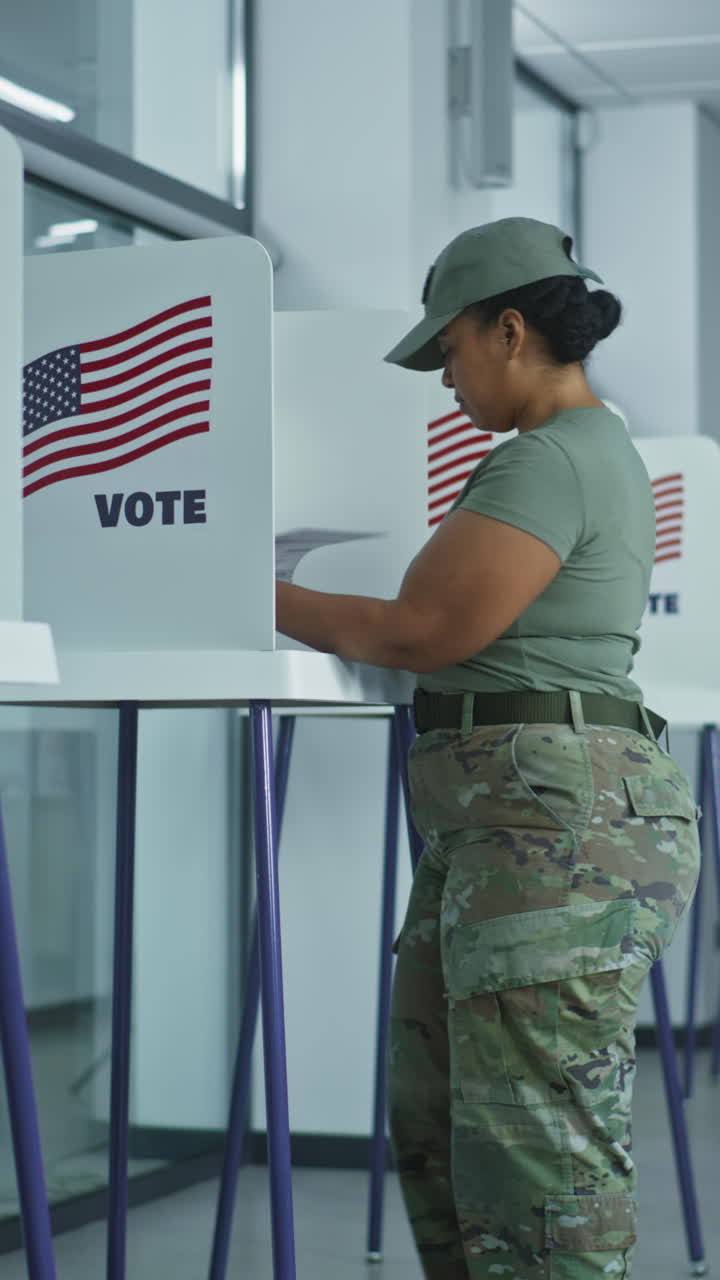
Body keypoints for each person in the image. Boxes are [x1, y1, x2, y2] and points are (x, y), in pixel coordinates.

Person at [275, 216, 700, 1280]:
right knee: (445, 1119)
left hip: (553, 830)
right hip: (509, 827)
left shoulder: (553, 460)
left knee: (534, 1155)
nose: (446, 380)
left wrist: (239, 586)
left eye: (451, 350)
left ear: (510, 330)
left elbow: (420, 631)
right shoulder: (568, 453)